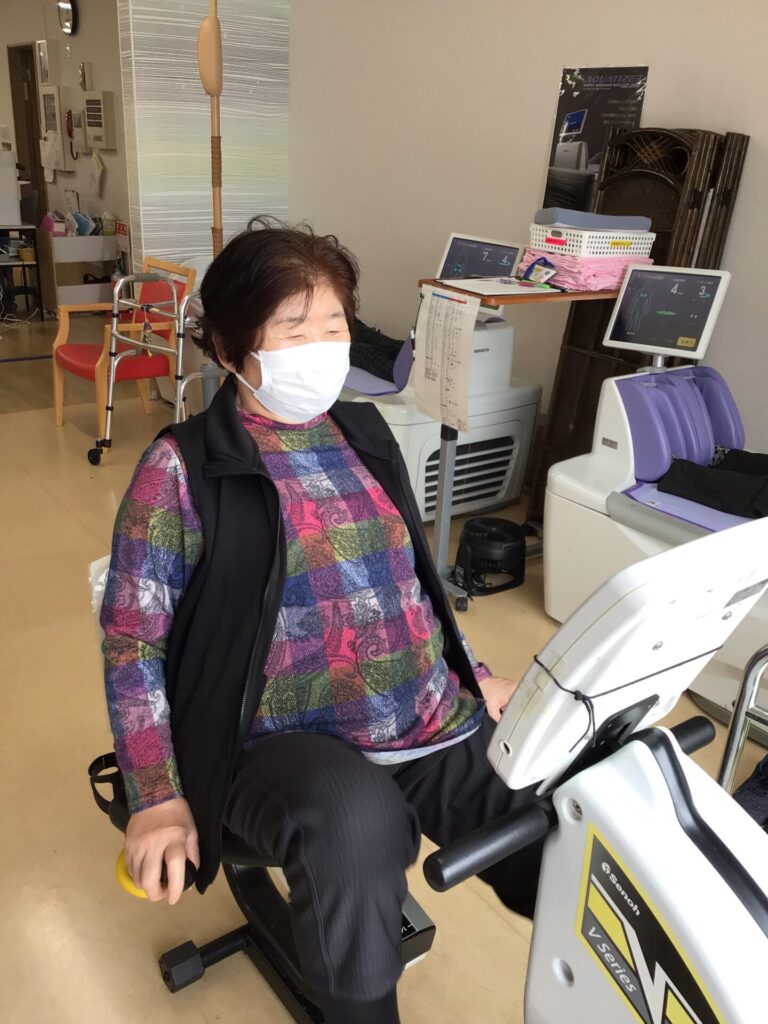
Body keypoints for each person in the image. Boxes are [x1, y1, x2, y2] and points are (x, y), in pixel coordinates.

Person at [100, 217, 540, 1024]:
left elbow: (410, 579)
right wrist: (155, 796)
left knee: (558, 796)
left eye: (334, 325)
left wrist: (474, 675)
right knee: (353, 823)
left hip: (418, 716)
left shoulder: (365, 431)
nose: (322, 348)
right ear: (229, 349)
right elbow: (133, 641)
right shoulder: (183, 467)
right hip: (272, 747)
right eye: (293, 329)